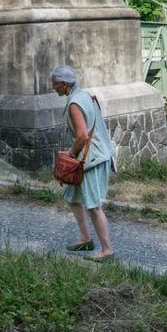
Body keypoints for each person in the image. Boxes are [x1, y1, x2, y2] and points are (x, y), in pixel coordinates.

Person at [50, 64, 115, 261]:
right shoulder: (85, 95)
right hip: (94, 155)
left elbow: (82, 136)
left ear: (63, 84)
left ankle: (106, 250)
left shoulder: (74, 104)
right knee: (71, 195)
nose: (53, 88)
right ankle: (85, 239)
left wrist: (70, 154)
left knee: (94, 205)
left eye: (55, 85)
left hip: (91, 159)